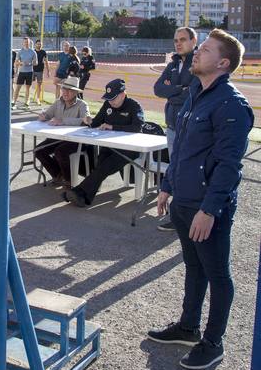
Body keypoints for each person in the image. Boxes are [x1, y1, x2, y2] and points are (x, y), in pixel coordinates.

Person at [148, 29, 253, 370]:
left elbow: (228, 166)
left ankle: (213, 343)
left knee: (217, 274)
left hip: (208, 208)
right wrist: (167, 185)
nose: (197, 53)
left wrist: (210, 209)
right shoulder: (196, 93)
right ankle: (188, 327)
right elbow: (181, 151)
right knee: (194, 268)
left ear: (223, 63)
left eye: (205, 50)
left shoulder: (232, 105)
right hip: (183, 201)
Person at [64, 78, 144, 207]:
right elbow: (96, 122)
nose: (110, 101)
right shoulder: (108, 104)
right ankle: (84, 197)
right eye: (108, 98)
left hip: (129, 148)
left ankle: (78, 192)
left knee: (104, 167)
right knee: (100, 166)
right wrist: (89, 121)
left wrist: (112, 127)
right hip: (109, 145)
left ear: (123, 94)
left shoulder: (134, 106)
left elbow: (137, 127)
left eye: (113, 98)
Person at [153, 26, 198, 231]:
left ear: (193, 41)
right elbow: (158, 88)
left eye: (182, 39)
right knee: (176, 171)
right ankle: (176, 216)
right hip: (172, 127)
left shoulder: (198, 63)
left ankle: (188, 216)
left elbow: (194, 93)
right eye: (175, 40)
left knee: (188, 172)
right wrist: (180, 89)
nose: (178, 43)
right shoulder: (172, 64)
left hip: (190, 128)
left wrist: (172, 91)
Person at [34, 76, 90, 188]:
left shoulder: (82, 105)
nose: (65, 92)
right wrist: (43, 116)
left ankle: (69, 181)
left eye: (69, 90)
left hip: (76, 141)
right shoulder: (57, 103)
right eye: (63, 89)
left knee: (60, 151)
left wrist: (62, 121)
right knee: (38, 150)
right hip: (57, 138)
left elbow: (86, 121)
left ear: (75, 92)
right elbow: (48, 115)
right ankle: (58, 175)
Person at [12, 37, 38, 109]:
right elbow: (16, 62)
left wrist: (29, 63)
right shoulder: (20, 52)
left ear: (29, 43)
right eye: (25, 42)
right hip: (22, 72)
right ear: (23, 43)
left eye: (27, 42)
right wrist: (20, 63)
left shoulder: (33, 52)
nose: (26, 43)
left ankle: (27, 103)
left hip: (29, 72)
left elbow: (36, 63)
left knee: (28, 88)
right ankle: (14, 102)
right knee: (18, 88)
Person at [31, 39, 50, 105]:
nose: (39, 45)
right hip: (32, 70)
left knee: (39, 85)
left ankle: (38, 99)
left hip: (40, 71)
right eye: (38, 44)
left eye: (40, 44)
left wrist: (48, 71)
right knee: (28, 84)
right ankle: (28, 98)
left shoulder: (43, 52)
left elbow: (46, 61)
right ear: (35, 44)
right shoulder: (32, 51)